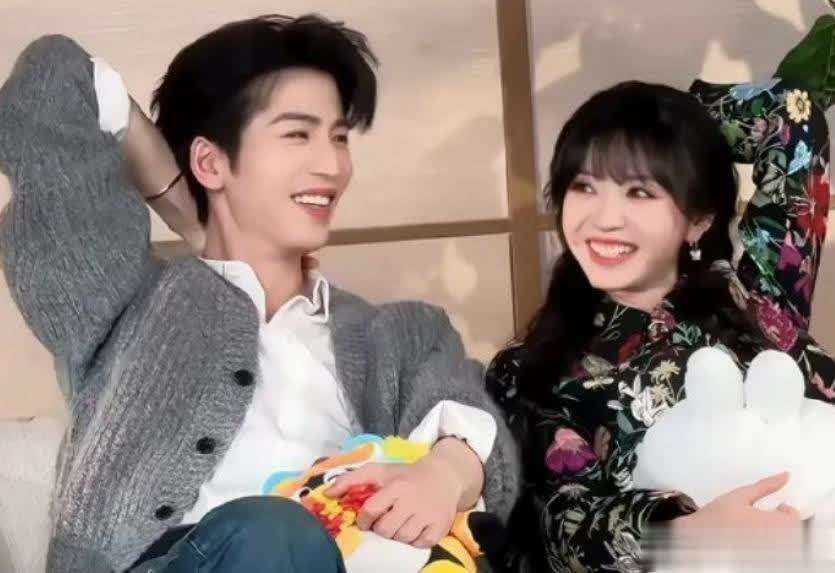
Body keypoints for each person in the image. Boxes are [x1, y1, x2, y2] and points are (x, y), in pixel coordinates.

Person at [0, 14, 519, 573]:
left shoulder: (402, 333)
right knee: (273, 530)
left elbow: (473, 428)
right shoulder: (128, 300)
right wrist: (188, 211)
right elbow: (54, 78)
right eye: (298, 134)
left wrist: (443, 475)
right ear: (210, 161)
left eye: (339, 137)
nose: (332, 165)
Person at [485, 28, 835, 572]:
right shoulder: (528, 369)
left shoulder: (758, 293)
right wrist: (687, 534)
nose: (604, 218)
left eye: (640, 191)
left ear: (698, 219)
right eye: (584, 186)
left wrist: (675, 120)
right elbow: (559, 529)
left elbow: (792, 121)